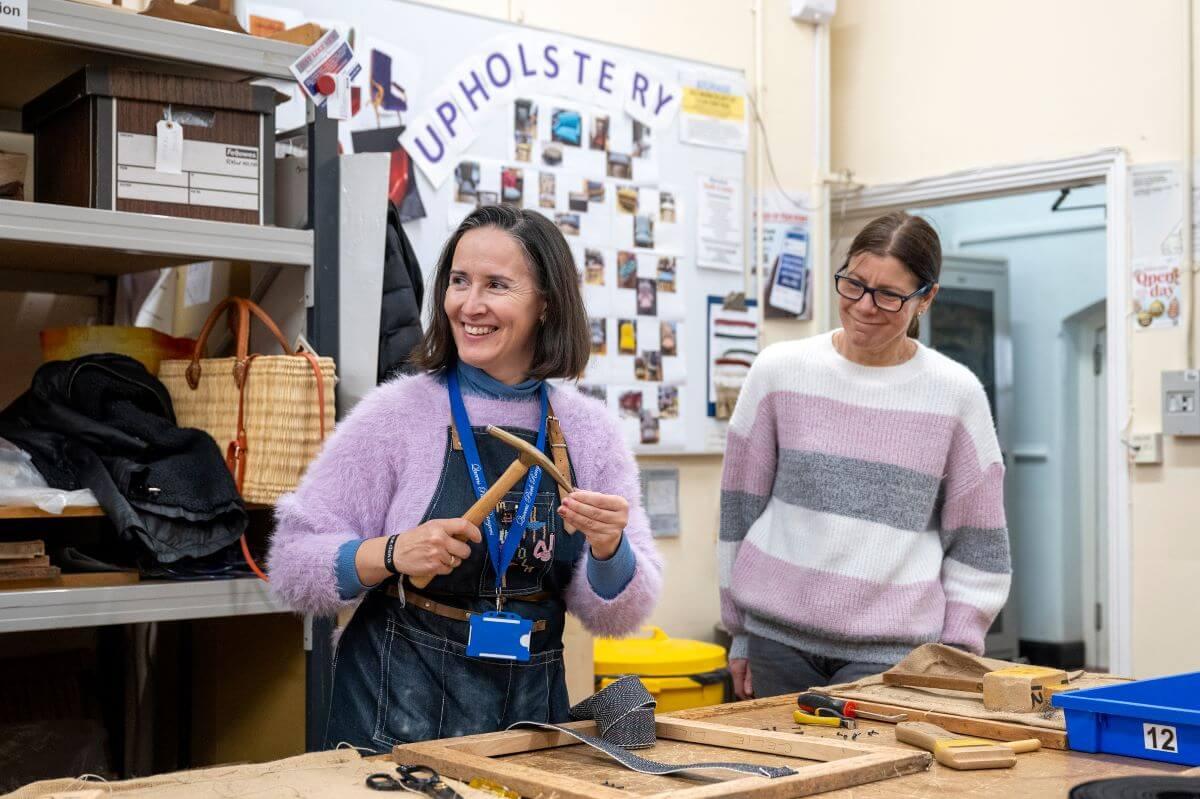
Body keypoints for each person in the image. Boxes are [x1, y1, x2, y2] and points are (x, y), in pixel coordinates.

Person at [268, 205, 663, 749]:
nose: (469, 306)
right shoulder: (395, 414)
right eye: (459, 281)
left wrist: (608, 548)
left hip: (530, 715)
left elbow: (620, 615)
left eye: (496, 285)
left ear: (546, 304)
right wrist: (388, 553)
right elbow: (291, 563)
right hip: (394, 710)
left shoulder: (589, 432)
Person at [718, 211, 1011, 699]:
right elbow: (738, 512)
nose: (864, 305)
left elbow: (979, 540)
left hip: (894, 656)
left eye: (889, 295)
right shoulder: (778, 372)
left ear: (927, 298)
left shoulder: (955, 394)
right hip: (776, 642)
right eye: (853, 284)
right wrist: (739, 633)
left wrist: (956, 656)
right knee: (780, 773)